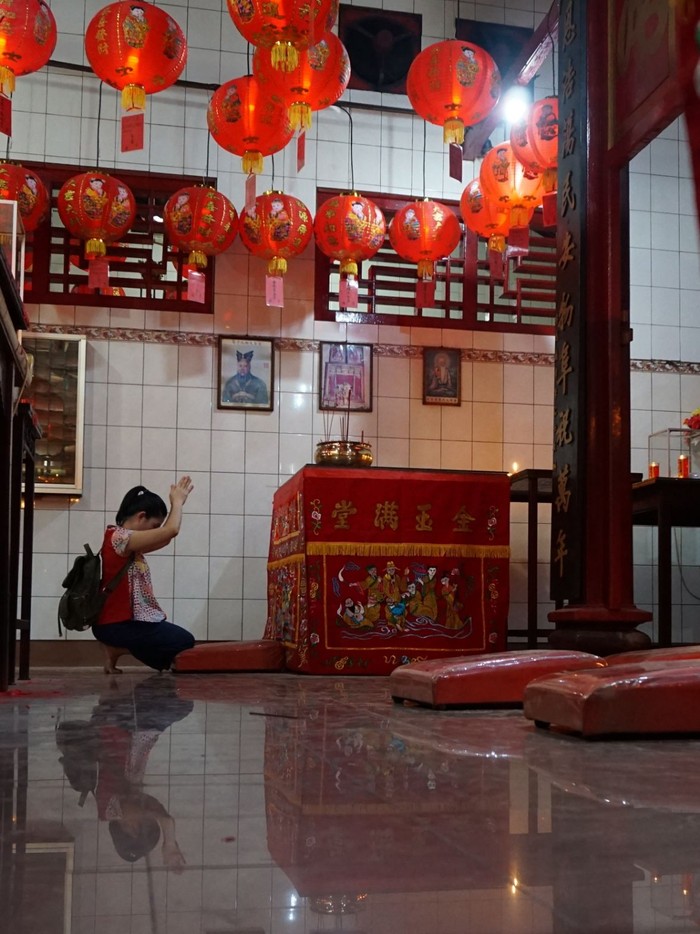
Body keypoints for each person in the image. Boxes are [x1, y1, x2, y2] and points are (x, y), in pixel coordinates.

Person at [93, 476, 196, 673]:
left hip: (120, 623)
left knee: (168, 652)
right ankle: (116, 648)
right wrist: (177, 502)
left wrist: (173, 512)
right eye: (155, 525)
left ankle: (116, 650)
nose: (156, 531)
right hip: (116, 625)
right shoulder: (119, 538)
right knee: (183, 641)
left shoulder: (125, 542)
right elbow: (171, 530)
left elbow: (165, 538)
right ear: (141, 517)